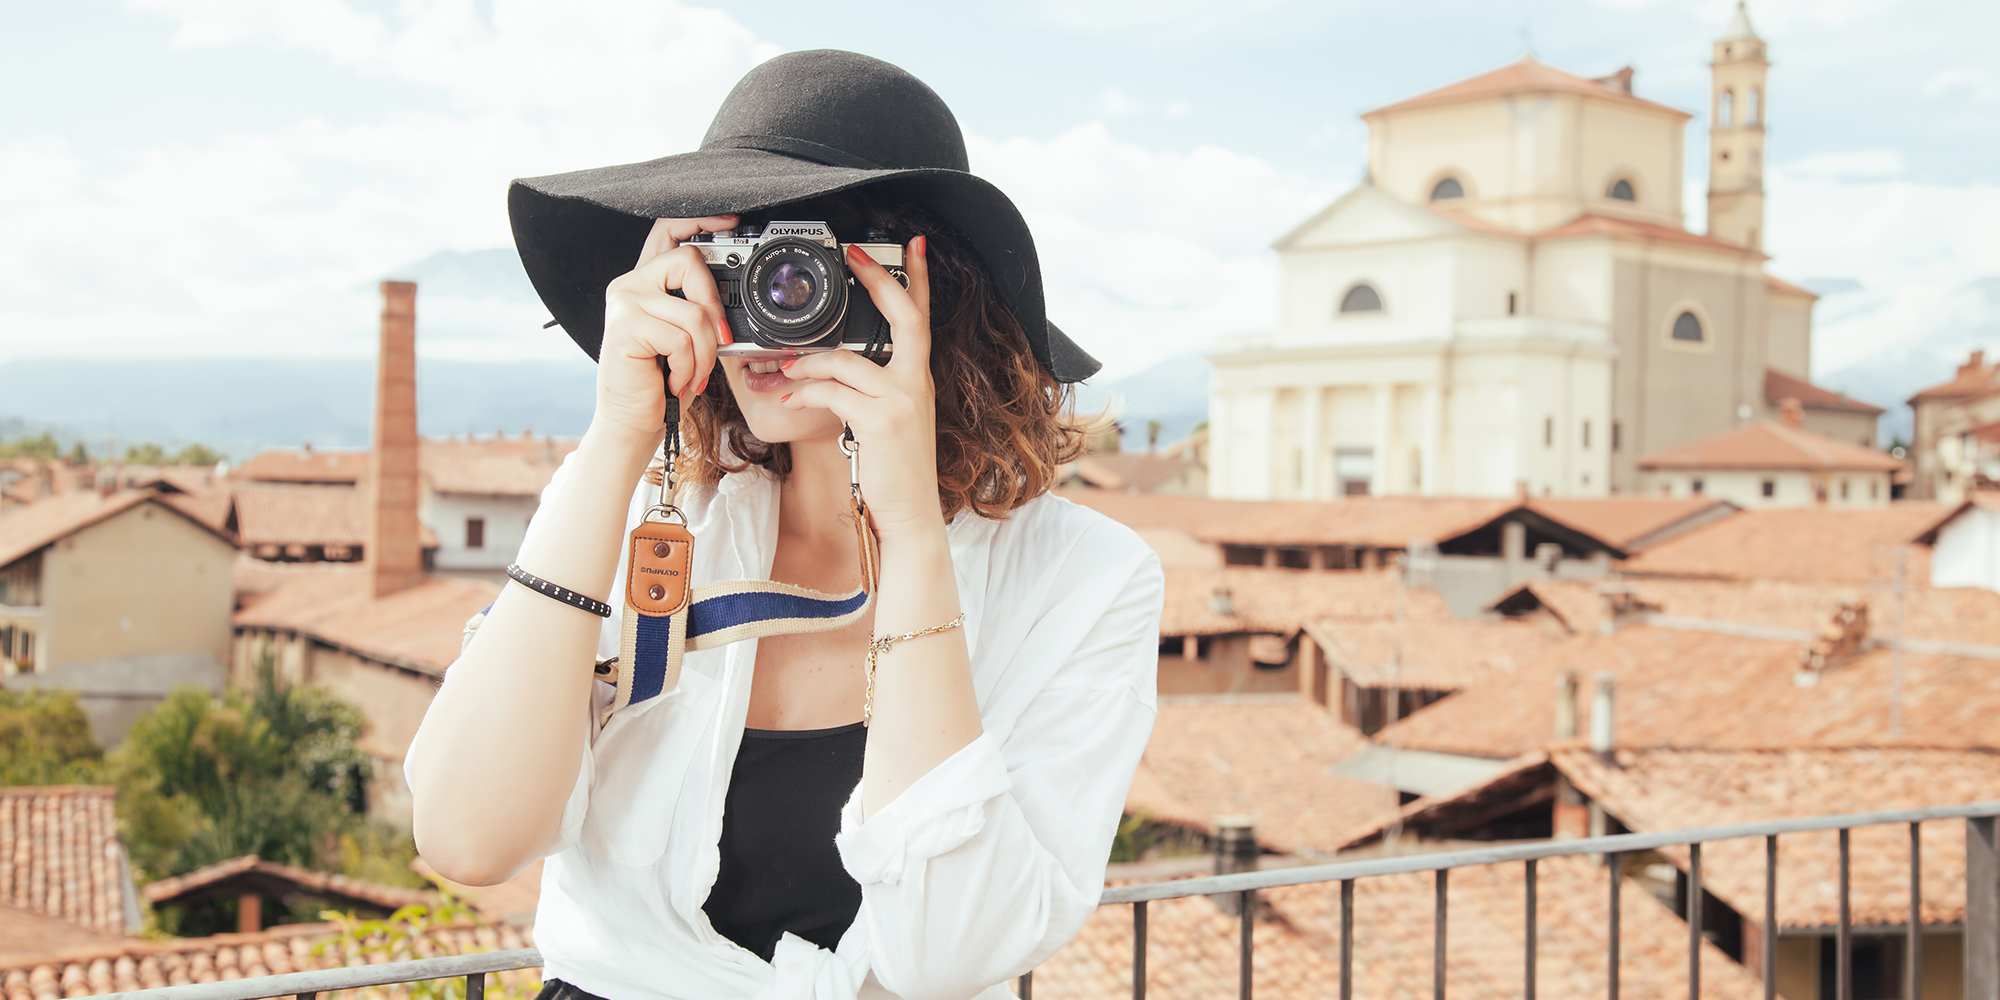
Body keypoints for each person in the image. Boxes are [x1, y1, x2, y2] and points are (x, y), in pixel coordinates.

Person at [404, 50, 1164, 1000]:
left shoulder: (1086, 579)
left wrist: (907, 531)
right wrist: (617, 437)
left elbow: (949, 960)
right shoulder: (632, 503)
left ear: (932, 291)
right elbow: (469, 838)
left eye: (813, 267)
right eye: (736, 264)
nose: (770, 308)